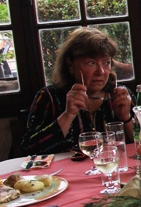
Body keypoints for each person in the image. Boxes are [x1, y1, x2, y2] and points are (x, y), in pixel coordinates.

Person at [21, 27, 134, 155]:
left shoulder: (121, 95)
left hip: (112, 166)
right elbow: (28, 150)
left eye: (106, 63)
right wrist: (68, 115)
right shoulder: (50, 97)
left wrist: (126, 118)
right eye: (91, 63)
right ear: (70, 65)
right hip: (64, 169)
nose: (101, 72)